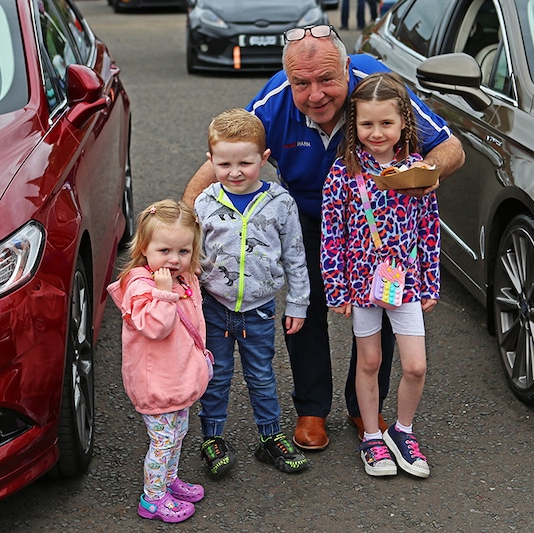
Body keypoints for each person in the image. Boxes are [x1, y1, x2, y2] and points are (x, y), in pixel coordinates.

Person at [182, 24, 464, 452]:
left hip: (376, 224)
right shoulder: (274, 103)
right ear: (289, 80)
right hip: (308, 216)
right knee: (304, 303)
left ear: (348, 69)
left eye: (327, 79)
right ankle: (311, 408)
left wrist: (424, 174)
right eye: (302, 83)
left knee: (381, 303)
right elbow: (225, 157)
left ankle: (363, 404)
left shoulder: (377, 91)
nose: (315, 94)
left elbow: (451, 148)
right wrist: (181, 230)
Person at [320, 72, 438, 478]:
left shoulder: (419, 172)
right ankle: (372, 436)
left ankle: (402, 431)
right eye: (367, 124)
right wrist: (336, 288)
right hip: (360, 284)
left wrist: (431, 281)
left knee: (415, 366)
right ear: (355, 125)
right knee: (369, 361)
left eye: (386, 123)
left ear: (404, 120)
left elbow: (429, 230)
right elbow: (331, 236)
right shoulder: (342, 175)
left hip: (406, 284)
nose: (376, 132)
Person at [194, 108, 311, 479]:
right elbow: (193, 256)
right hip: (214, 305)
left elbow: (295, 254)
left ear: (264, 158)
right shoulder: (205, 203)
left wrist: (298, 302)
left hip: (259, 309)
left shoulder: (281, 203)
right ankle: (211, 438)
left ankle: (270, 436)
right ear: (211, 160)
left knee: (262, 375)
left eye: (245, 162)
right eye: (225, 163)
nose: (235, 172)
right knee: (216, 374)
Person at [107, 200, 210, 523]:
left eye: (183, 251)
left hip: (178, 377)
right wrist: (164, 294)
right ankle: (152, 498)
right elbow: (155, 327)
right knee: (163, 442)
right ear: (144, 248)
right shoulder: (142, 288)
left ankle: (168, 480)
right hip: (157, 384)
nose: (175, 259)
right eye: (164, 250)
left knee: (178, 435)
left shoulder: (181, 277)